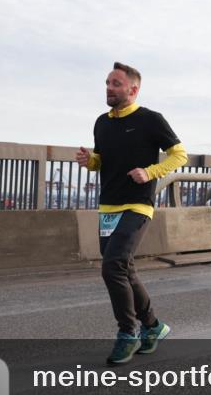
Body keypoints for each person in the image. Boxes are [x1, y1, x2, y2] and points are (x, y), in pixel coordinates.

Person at [76, 62, 187, 365]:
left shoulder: (151, 120)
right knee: (124, 268)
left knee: (112, 266)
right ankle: (153, 326)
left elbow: (180, 154)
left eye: (115, 83)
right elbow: (104, 161)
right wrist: (91, 161)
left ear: (132, 89)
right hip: (109, 206)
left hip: (137, 204)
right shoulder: (101, 122)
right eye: (107, 83)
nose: (109, 88)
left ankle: (128, 332)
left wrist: (150, 172)